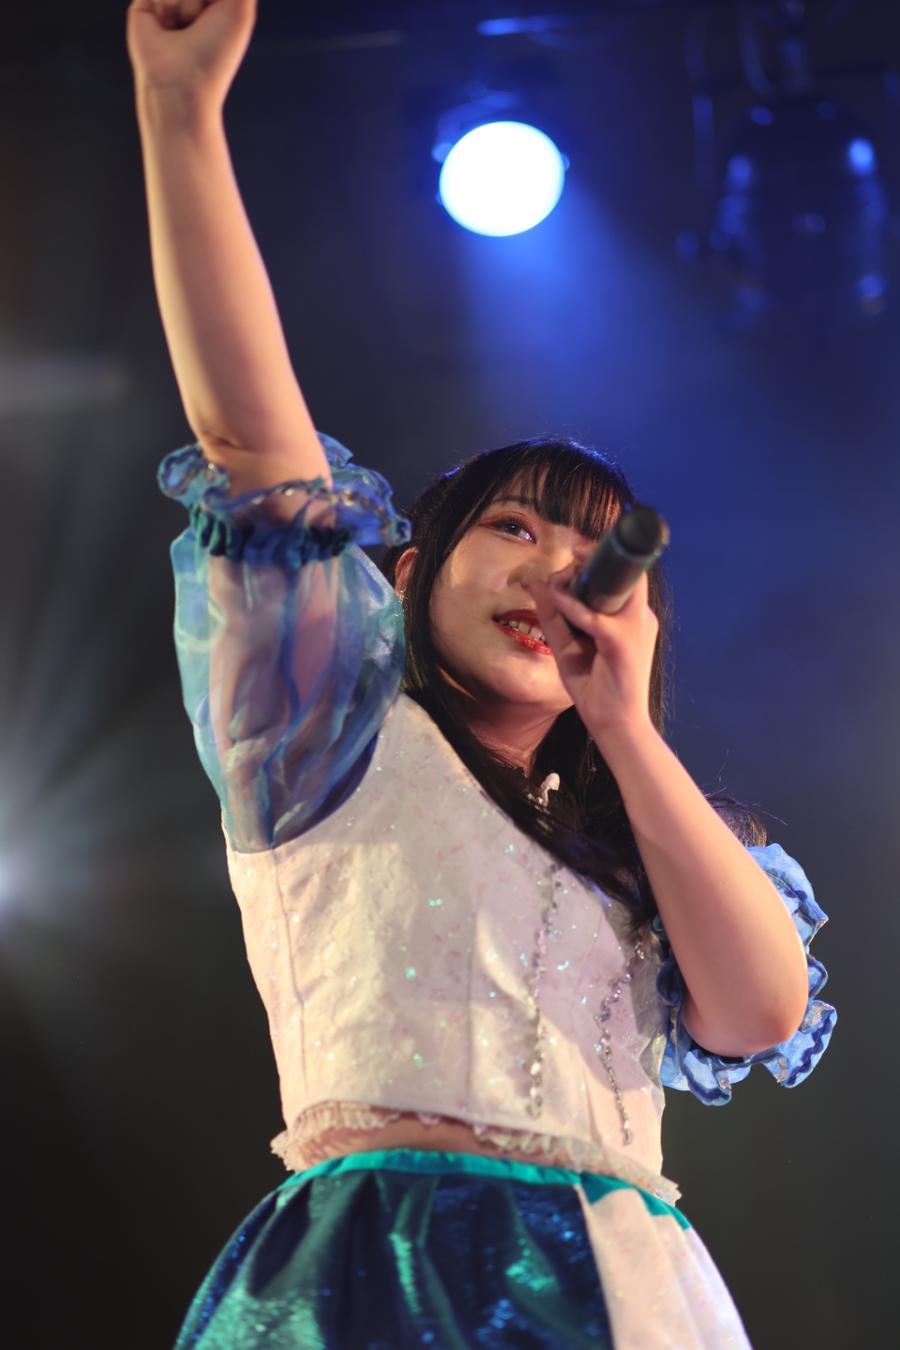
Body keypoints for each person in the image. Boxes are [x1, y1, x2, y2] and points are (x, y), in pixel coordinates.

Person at [128, 1, 838, 1345]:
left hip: (625, 1285)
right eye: (513, 528)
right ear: (406, 577)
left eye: (588, 551)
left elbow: (758, 1010)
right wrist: (180, 114)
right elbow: (254, 448)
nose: (553, 568)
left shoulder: (649, 827)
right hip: (375, 1268)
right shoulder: (326, 735)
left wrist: (628, 732)